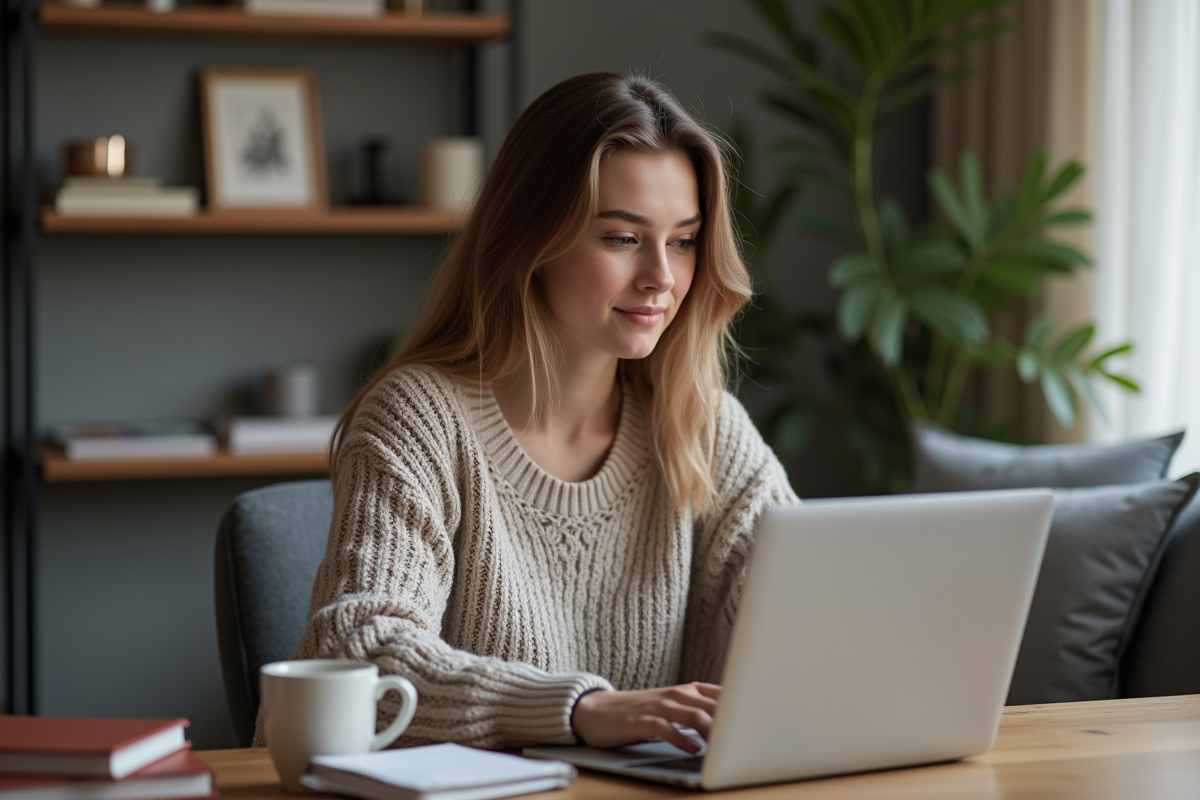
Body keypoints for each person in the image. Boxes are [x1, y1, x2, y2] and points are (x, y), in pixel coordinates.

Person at [289, 71, 799, 754]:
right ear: (533, 240)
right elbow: (360, 651)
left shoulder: (701, 424)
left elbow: (802, 611)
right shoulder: (419, 419)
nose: (663, 277)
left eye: (682, 240)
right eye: (622, 238)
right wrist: (579, 708)